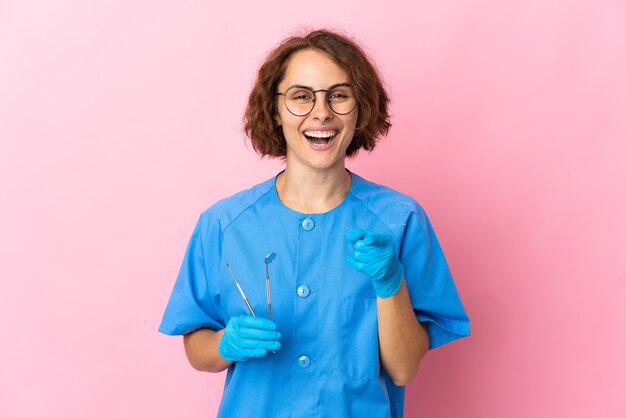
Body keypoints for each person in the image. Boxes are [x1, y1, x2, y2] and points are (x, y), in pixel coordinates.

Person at [159, 29, 470, 418]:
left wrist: (391, 284)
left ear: (360, 108)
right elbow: (197, 349)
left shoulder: (400, 219)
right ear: (275, 110)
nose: (321, 112)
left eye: (338, 95)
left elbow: (404, 369)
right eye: (301, 96)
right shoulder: (223, 224)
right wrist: (224, 344)